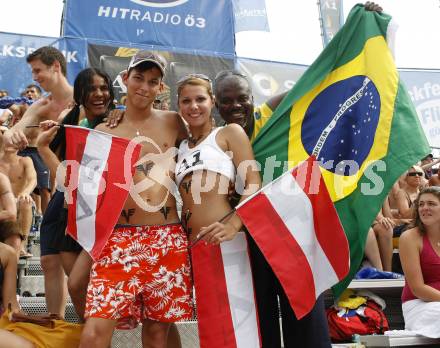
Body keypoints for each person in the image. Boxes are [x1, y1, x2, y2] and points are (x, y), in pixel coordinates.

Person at [79, 51, 193, 348]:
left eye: (152, 81)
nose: (144, 86)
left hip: (166, 239)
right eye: (138, 78)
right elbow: (86, 192)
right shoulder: (104, 130)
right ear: (125, 79)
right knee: (94, 331)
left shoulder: (175, 122)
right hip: (118, 241)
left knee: (157, 335)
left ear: (160, 88)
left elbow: (205, 145)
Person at [214, 69, 333, 348]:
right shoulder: (214, 137)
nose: (235, 105)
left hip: (287, 229)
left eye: (242, 98)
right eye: (226, 100)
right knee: (258, 318)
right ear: (216, 104)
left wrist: (343, 53)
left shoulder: (268, 115)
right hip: (245, 236)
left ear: (252, 98)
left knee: (304, 311)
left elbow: (309, 85)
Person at [36, 67, 115, 322]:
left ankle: (93, 333)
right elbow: (64, 179)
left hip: (101, 213)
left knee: (85, 287)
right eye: (91, 88)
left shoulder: (117, 122)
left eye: (103, 87)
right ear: (79, 94)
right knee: (75, 284)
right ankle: (82, 332)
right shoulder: (74, 125)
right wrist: (43, 146)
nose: (99, 94)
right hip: (70, 205)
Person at [3, 46, 74, 318]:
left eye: (38, 70)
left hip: (88, 193)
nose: (35, 77)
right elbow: (15, 131)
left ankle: (89, 323)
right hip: (61, 192)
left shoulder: (82, 100)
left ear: (56, 66)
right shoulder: (43, 105)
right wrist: (13, 135)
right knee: (47, 260)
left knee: (77, 266)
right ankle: (57, 320)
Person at [399, 186, 440, 338]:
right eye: (421, 204)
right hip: (419, 305)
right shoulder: (409, 237)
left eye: (431, 204)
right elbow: (418, 288)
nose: (424, 208)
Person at [0, 141, 36, 258]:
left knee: (26, 201)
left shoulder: (25, 160)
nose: (11, 143)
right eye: (8, 141)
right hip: (2, 204)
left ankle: (22, 246)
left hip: (19, 201)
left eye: (14, 141)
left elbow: (33, 180)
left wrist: (25, 192)